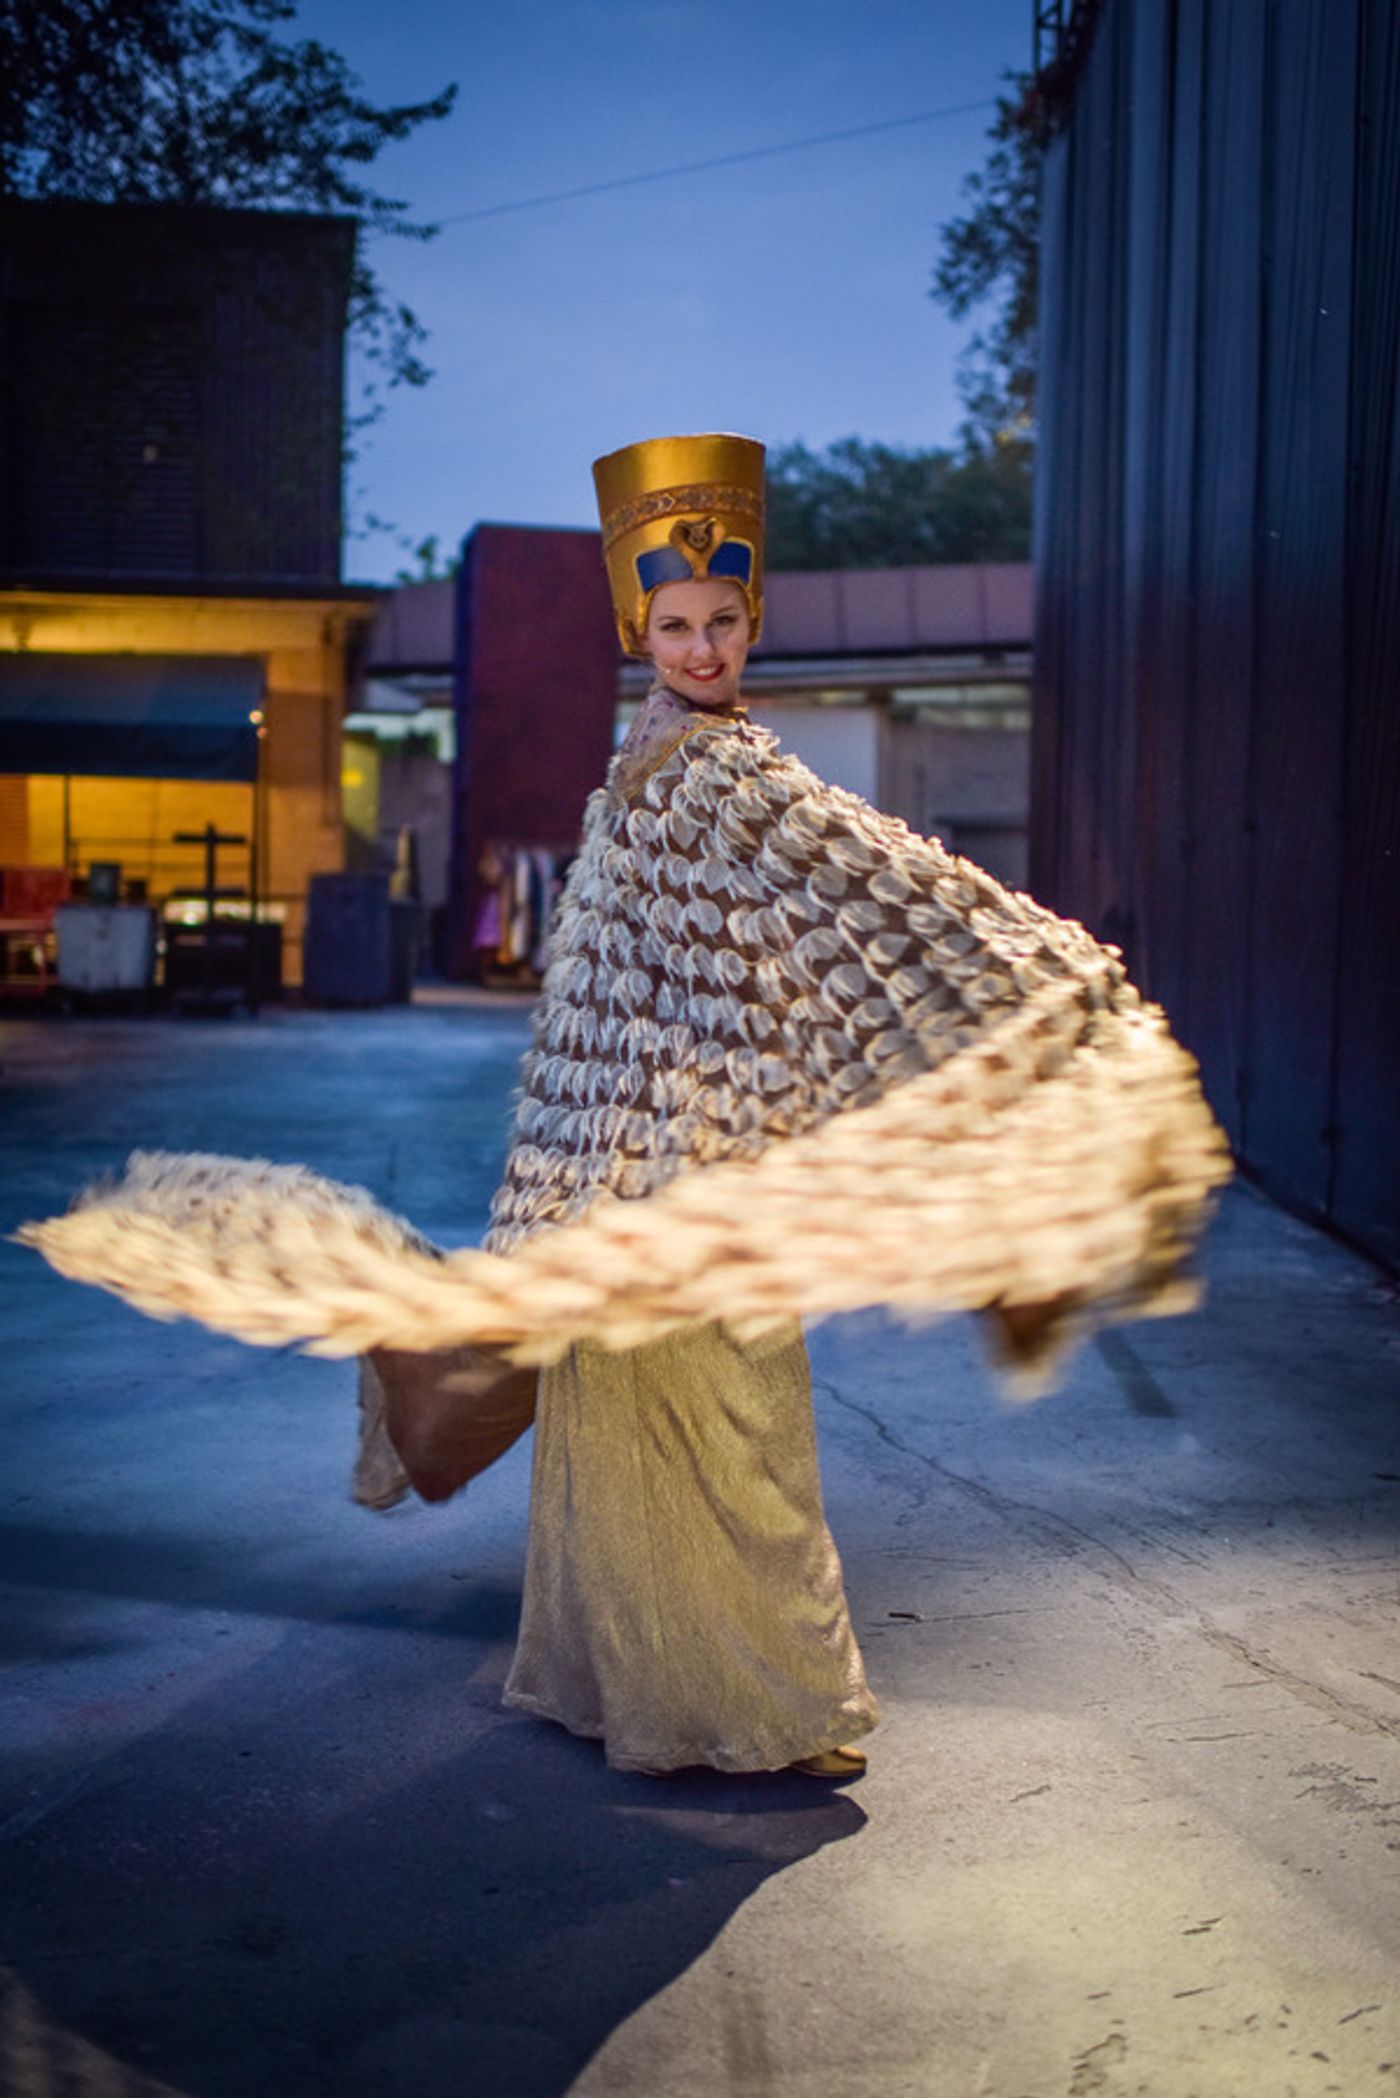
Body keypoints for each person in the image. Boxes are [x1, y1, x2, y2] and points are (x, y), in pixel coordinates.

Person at [19, 434, 1229, 1787]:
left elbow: (835, 915)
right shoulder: (706, 776)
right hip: (672, 1181)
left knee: (668, 1439)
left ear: (752, 622)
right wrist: (1054, 980)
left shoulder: (653, 773)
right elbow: (863, 908)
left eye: (722, 622)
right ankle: (749, 1708)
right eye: (676, 626)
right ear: (638, 631)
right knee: (730, 1444)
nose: (703, 648)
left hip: (637, 1179)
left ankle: (640, 1689)